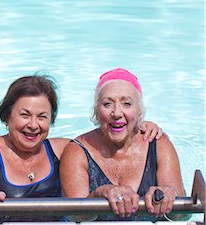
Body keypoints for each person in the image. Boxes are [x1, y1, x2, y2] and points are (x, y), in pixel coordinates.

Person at [0, 74, 163, 221]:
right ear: (7, 116)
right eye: (25, 115)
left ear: (51, 121)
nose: (33, 125)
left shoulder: (63, 149)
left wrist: (139, 128)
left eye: (42, 117)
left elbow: (102, 138)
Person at [60, 68, 188, 221]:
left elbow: (182, 215)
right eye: (107, 104)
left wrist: (168, 195)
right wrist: (98, 194)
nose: (117, 113)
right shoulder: (77, 151)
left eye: (127, 104)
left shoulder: (159, 146)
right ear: (96, 111)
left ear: (139, 112)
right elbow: (75, 215)